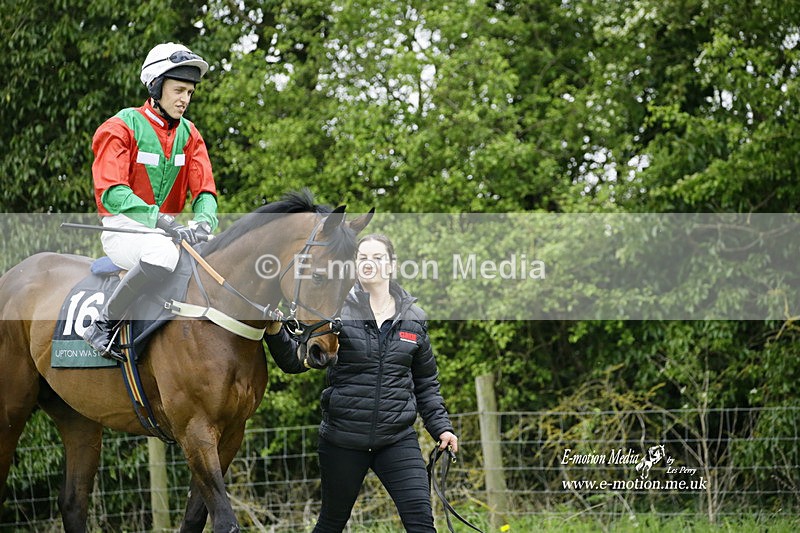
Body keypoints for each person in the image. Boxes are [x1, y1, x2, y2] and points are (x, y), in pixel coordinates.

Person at [265, 233, 458, 532]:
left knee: (421, 523)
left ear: (392, 265)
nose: (369, 264)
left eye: (377, 258)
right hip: (343, 440)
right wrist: (276, 331)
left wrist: (441, 427)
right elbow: (296, 361)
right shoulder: (336, 311)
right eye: (362, 258)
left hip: (396, 439)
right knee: (330, 523)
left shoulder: (414, 318)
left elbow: (426, 382)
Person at [82, 42, 218, 362]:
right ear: (156, 86)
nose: (185, 99)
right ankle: (103, 325)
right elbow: (112, 192)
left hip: (171, 231)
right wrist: (158, 219)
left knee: (218, 253)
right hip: (124, 228)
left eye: (190, 92)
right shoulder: (120, 126)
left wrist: (203, 222)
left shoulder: (190, 134)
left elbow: (205, 193)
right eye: (178, 90)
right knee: (160, 253)